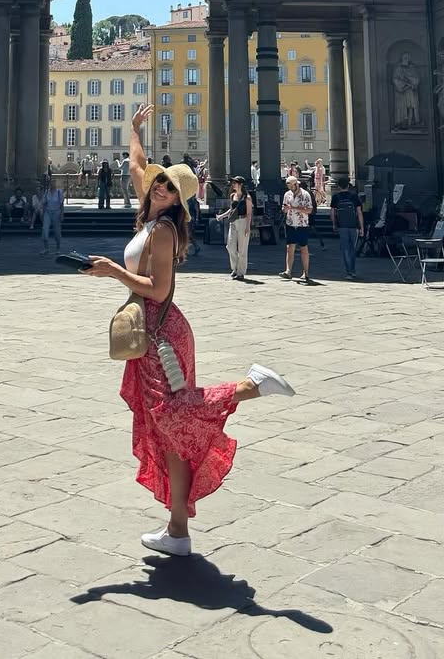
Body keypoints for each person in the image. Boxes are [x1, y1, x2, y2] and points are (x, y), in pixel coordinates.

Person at [83, 104, 296, 557]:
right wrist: (134, 128)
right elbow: (137, 164)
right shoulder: (150, 208)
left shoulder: (163, 230)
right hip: (152, 333)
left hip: (161, 335)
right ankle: (177, 532)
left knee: (176, 414)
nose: (159, 186)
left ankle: (250, 386)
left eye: (169, 187)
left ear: (178, 202)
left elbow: (158, 290)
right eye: (159, 181)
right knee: (171, 432)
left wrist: (113, 271)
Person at [280, 175, 315, 284]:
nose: (290, 188)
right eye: (288, 186)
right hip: (290, 223)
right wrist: (285, 209)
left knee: (303, 248)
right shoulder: (287, 194)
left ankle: (305, 272)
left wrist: (294, 208)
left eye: (291, 185)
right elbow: (284, 208)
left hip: (302, 224)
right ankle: (288, 271)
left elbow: (309, 210)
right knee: (290, 247)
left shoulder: (305, 194)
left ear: (296, 184)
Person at [216, 175, 253, 281]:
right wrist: (222, 216)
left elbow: (249, 213)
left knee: (242, 249)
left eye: (235, 183)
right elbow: (232, 210)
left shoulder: (247, 197)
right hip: (233, 222)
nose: (233, 185)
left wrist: (248, 227)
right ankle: (235, 268)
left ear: (241, 185)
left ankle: (240, 272)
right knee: (230, 246)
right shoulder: (233, 196)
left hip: (243, 221)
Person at [330, 179, 364, 280]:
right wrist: (361, 227)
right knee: (353, 248)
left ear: (339, 186)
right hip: (354, 225)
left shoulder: (335, 197)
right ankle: (353, 270)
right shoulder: (354, 196)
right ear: (348, 186)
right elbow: (359, 212)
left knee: (345, 249)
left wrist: (334, 224)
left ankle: (348, 271)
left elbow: (332, 213)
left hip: (342, 226)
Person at [41, 179, 64, 254]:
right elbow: (44, 204)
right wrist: (43, 214)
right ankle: (46, 248)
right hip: (48, 212)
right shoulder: (46, 192)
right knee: (45, 229)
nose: (52, 184)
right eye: (51, 183)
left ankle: (58, 248)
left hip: (56, 212)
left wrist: (62, 214)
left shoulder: (59, 192)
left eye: (53, 183)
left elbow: (61, 205)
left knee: (57, 231)